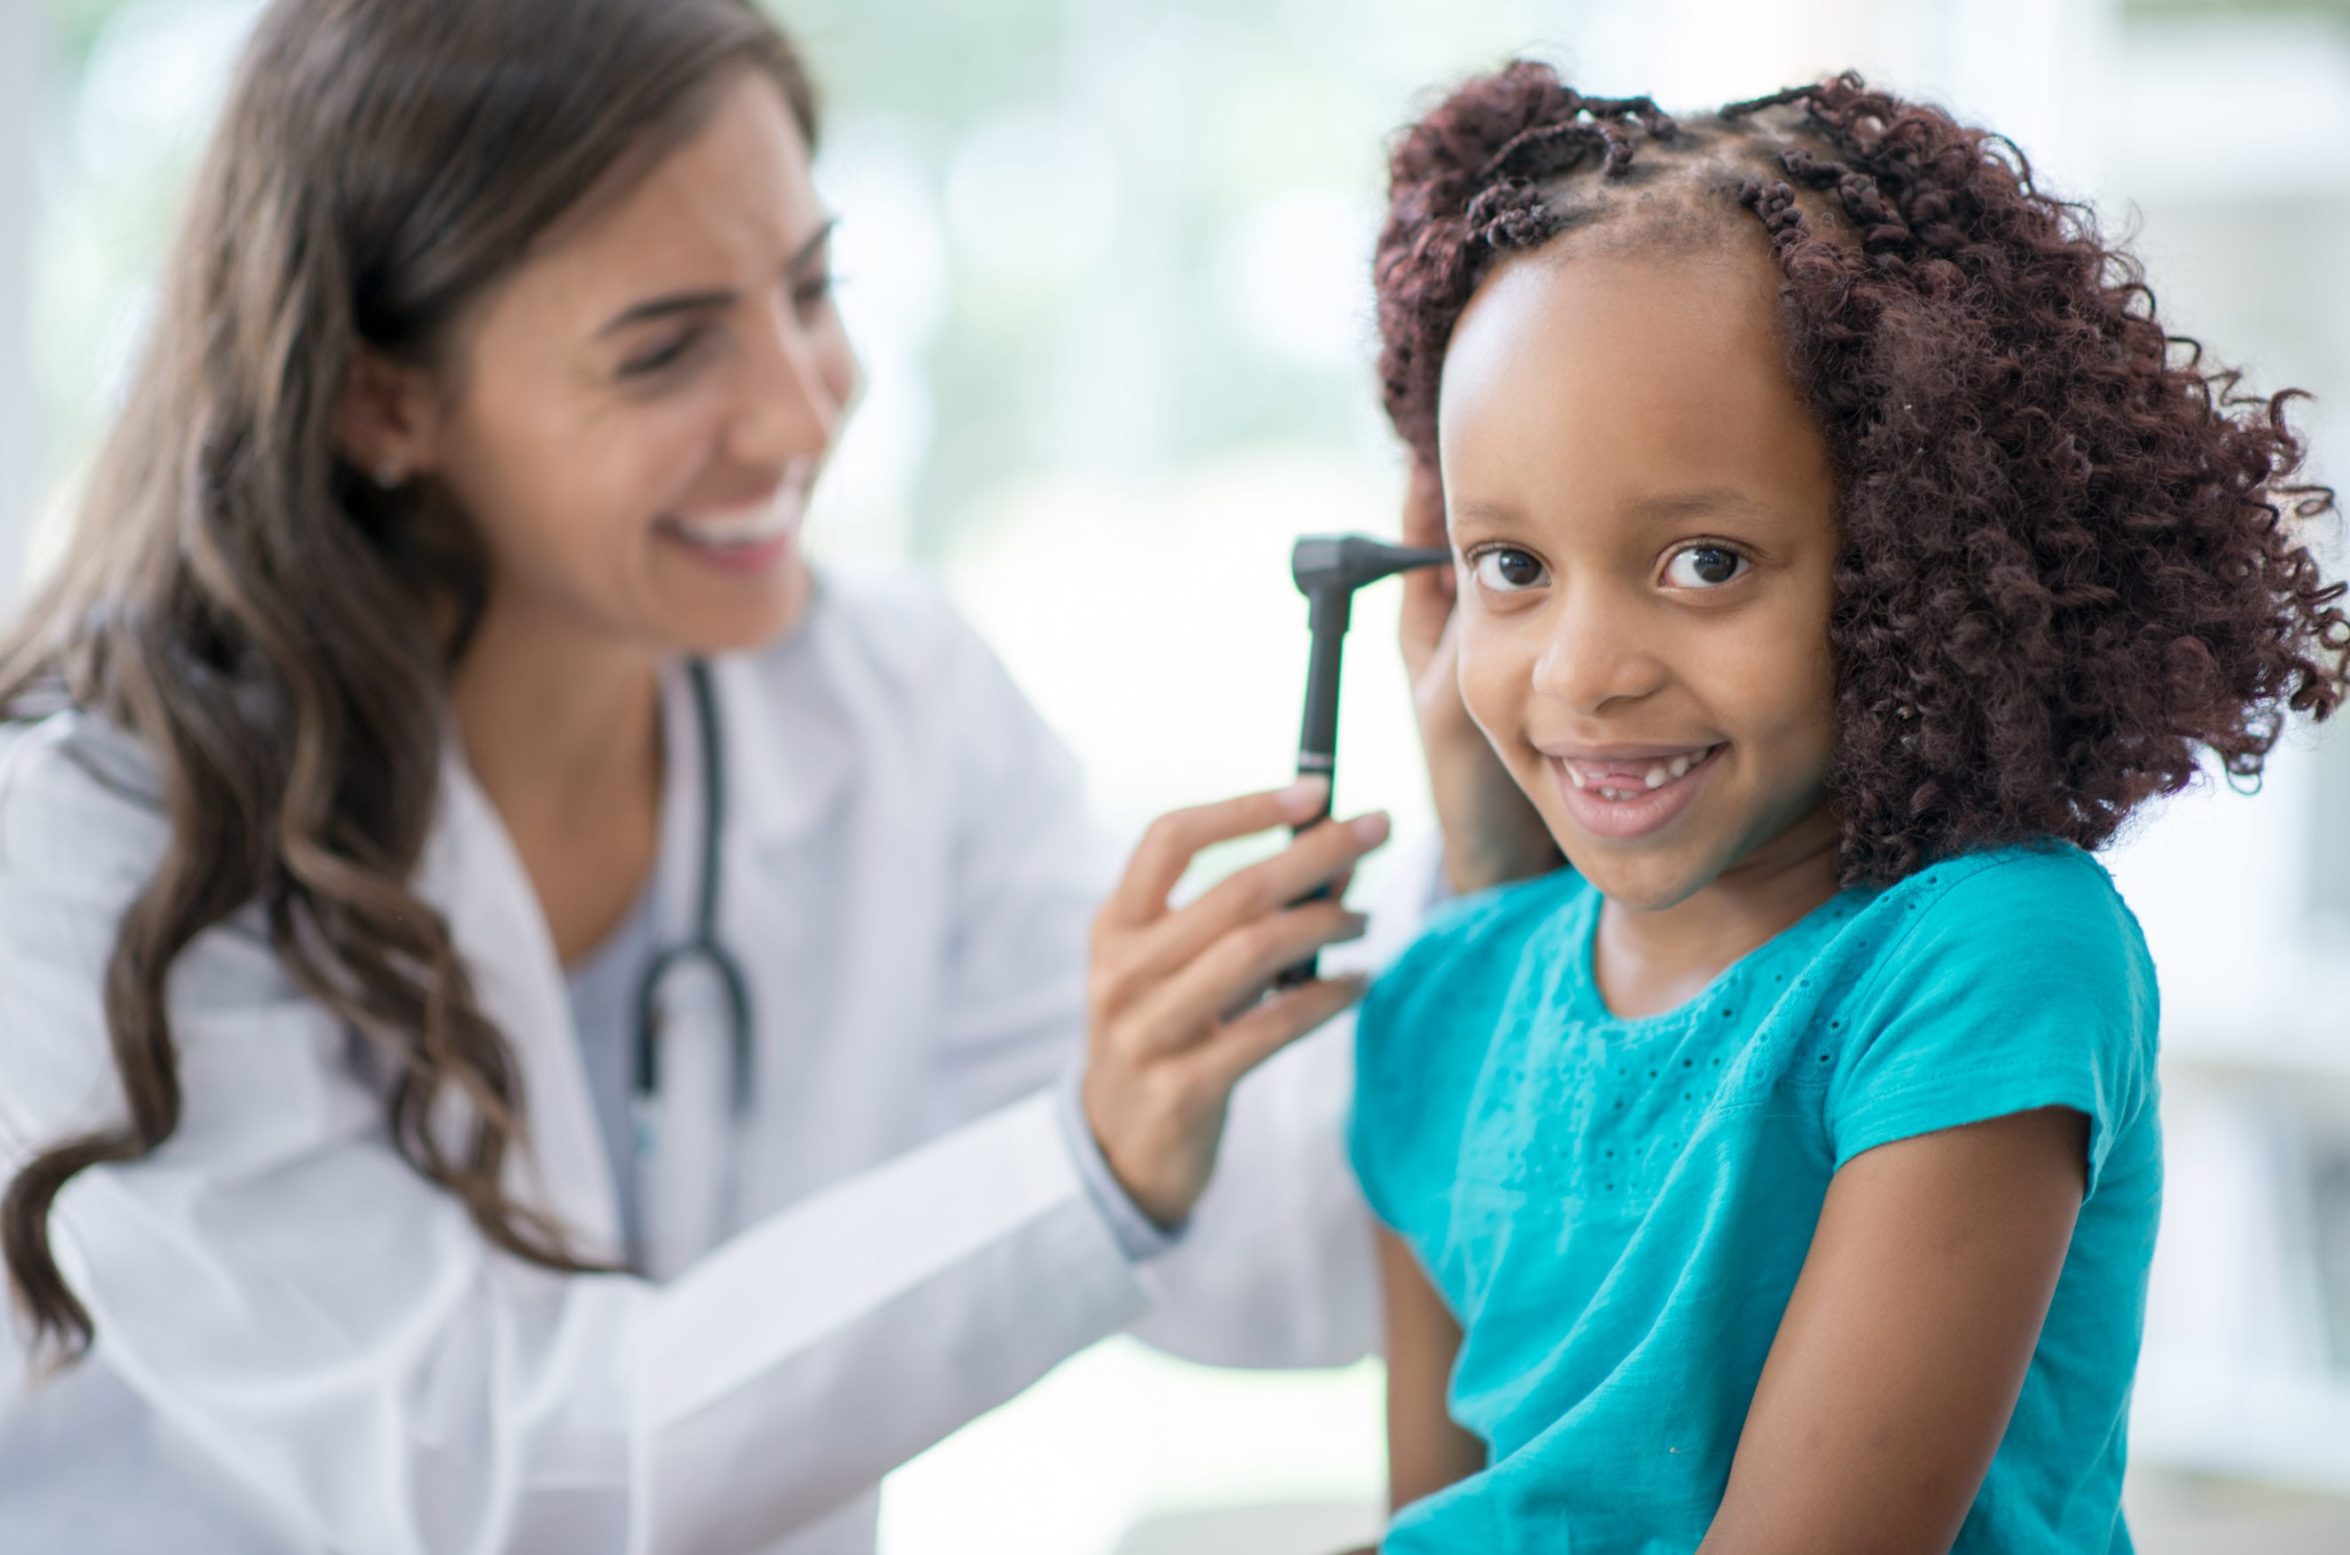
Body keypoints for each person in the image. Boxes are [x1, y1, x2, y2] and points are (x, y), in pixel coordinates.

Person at [0, 4, 1558, 1552]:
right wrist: (1085, 1165)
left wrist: (1500, 871)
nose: (805, 407)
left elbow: (1265, 1238)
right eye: (667, 349)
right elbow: (490, 1480)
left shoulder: (888, 710)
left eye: (810, 289)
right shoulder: (91, 836)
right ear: (384, 398)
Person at [1347, 64, 2348, 1553]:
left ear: (1913, 566)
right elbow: (1467, 1520)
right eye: (1511, 566)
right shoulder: (1438, 1009)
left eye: (1702, 562)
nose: (1581, 672)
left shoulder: (1982, 958)